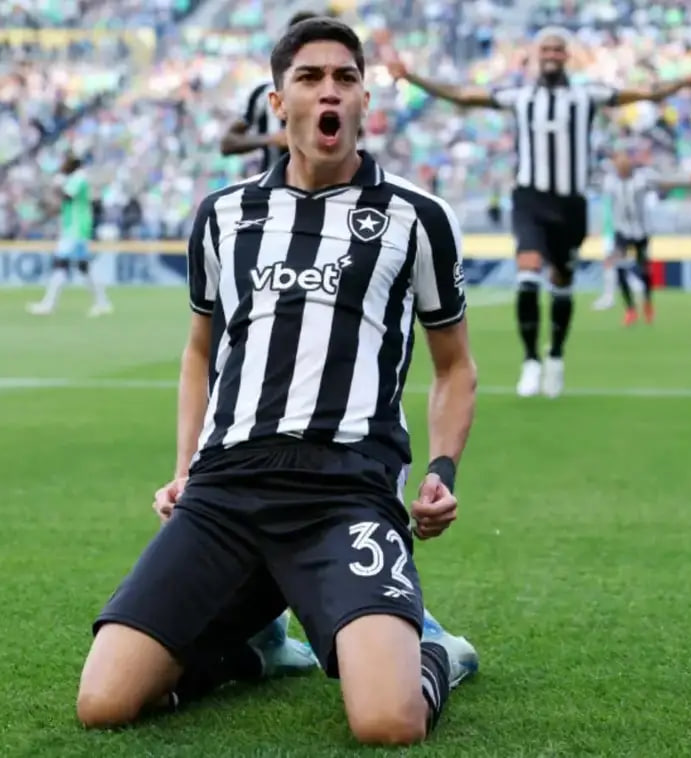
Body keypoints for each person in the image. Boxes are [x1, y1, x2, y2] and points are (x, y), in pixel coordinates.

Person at [76, 18, 480, 746]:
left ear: (363, 101)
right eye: (310, 77)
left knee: (387, 722)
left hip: (345, 489)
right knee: (103, 704)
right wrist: (185, 467)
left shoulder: (416, 217)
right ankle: (254, 653)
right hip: (226, 491)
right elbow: (199, 351)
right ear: (277, 101)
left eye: (346, 78)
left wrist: (441, 470)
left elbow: (454, 365)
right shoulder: (223, 215)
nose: (330, 91)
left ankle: (436, 653)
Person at [380, 26, 691, 397]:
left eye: (558, 49)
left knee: (561, 282)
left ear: (567, 56)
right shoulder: (520, 96)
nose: (553, 54)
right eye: (547, 49)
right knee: (527, 272)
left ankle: (555, 355)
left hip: (571, 205)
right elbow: (463, 95)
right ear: (536, 55)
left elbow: (647, 92)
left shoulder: (587, 95)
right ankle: (530, 361)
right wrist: (412, 76)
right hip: (531, 200)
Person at [219, 11, 331, 173]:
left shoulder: (334, 95)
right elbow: (227, 144)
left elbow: (355, 134)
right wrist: (271, 139)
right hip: (272, 185)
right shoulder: (263, 95)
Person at [600, 151, 691, 326]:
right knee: (619, 267)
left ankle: (647, 302)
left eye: (624, 167)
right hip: (621, 231)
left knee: (644, 269)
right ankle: (630, 309)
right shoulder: (610, 182)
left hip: (641, 231)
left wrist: (688, 182)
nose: (621, 170)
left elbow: (664, 184)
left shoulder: (642, 178)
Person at [28, 152, 113, 317]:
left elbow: (67, 196)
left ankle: (49, 304)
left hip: (75, 229)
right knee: (83, 267)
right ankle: (102, 302)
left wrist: (55, 186)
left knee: (60, 263)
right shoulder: (78, 178)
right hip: (77, 228)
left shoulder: (78, 178)